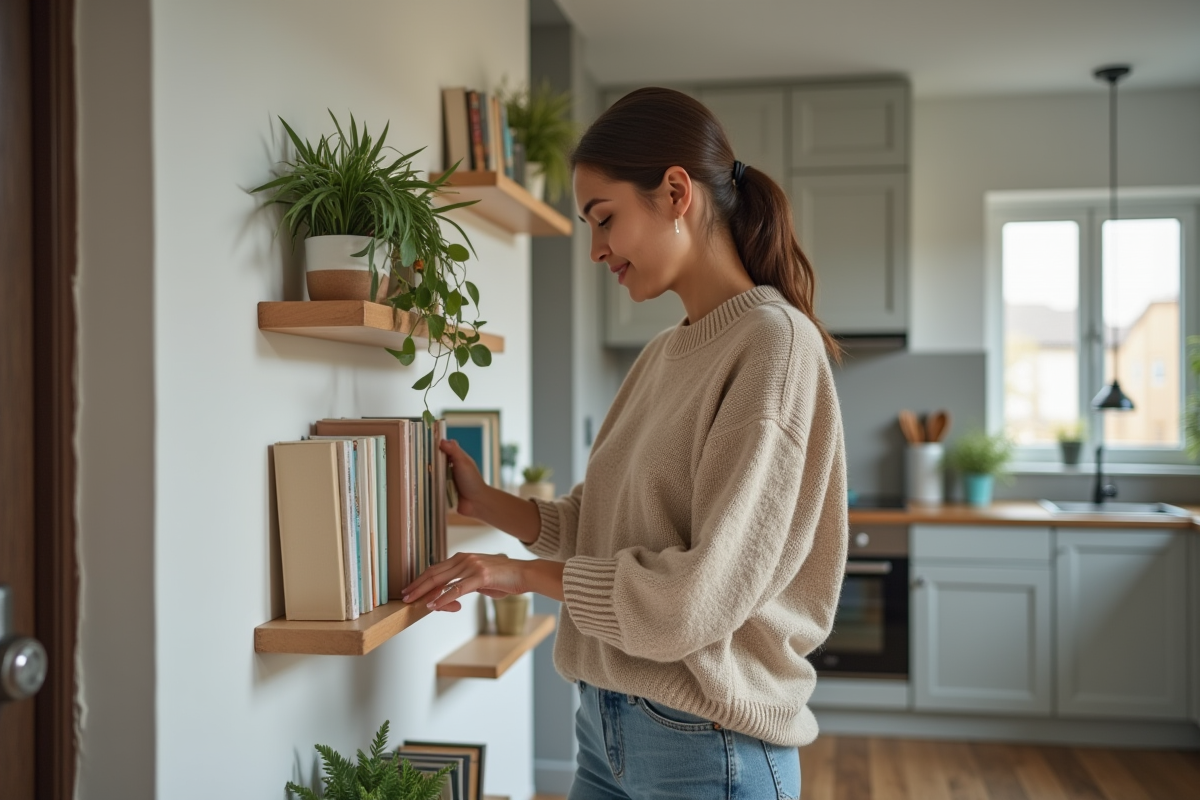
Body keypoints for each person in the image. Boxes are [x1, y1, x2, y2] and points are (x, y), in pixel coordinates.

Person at [401, 87, 849, 800]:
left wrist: (516, 575)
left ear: (676, 192)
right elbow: (599, 530)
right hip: (605, 721)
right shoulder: (662, 354)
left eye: (604, 218)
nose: (595, 249)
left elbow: (691, 599)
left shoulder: (773, 344)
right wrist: (490, 504)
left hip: (708, 742)